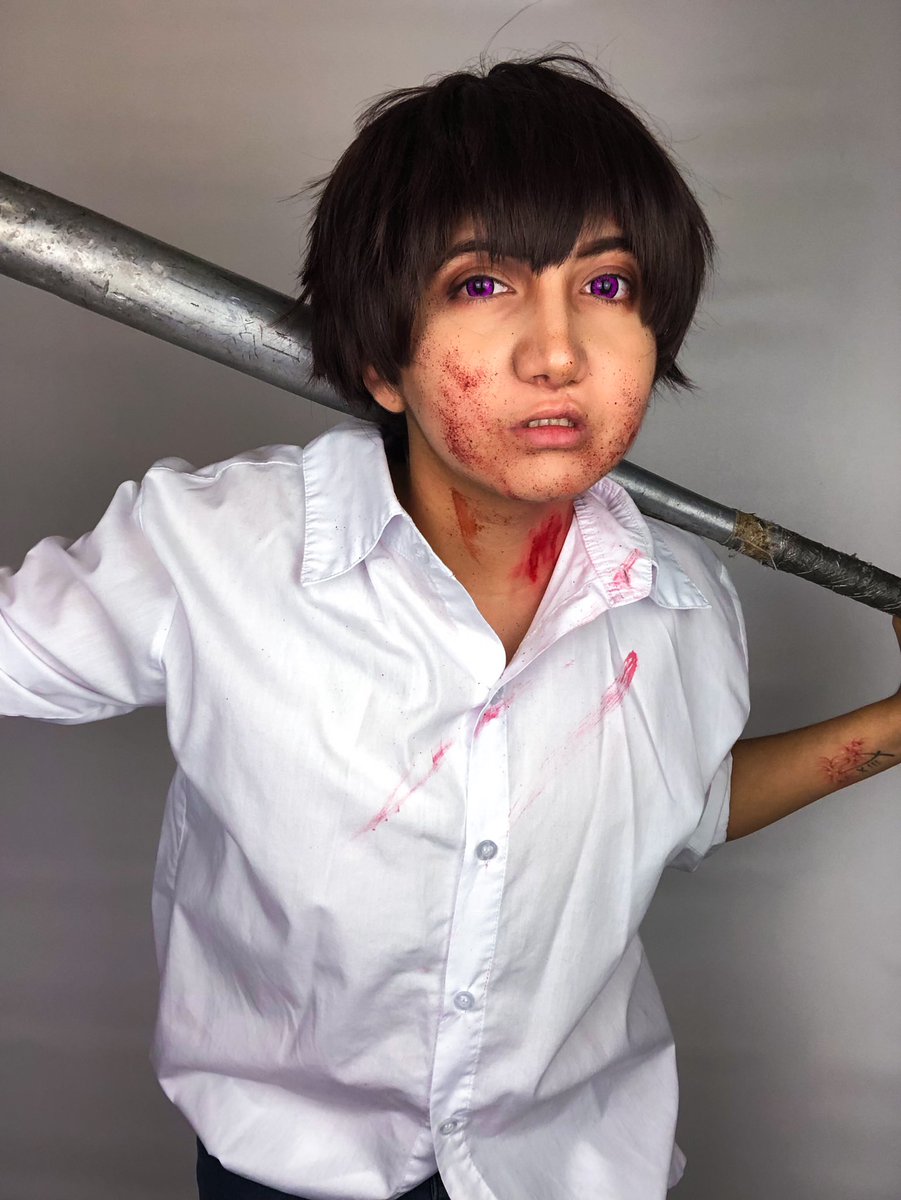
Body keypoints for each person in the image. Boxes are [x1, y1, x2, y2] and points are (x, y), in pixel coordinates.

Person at [1, 53, 899, 1200]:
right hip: (289, 1180)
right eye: (481, 285)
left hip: (574, 1172)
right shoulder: (212, 550)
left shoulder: (681, 606)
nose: (558, 351)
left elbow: (682, 804)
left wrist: (894, 726)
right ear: (381, 361)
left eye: (606, 284)